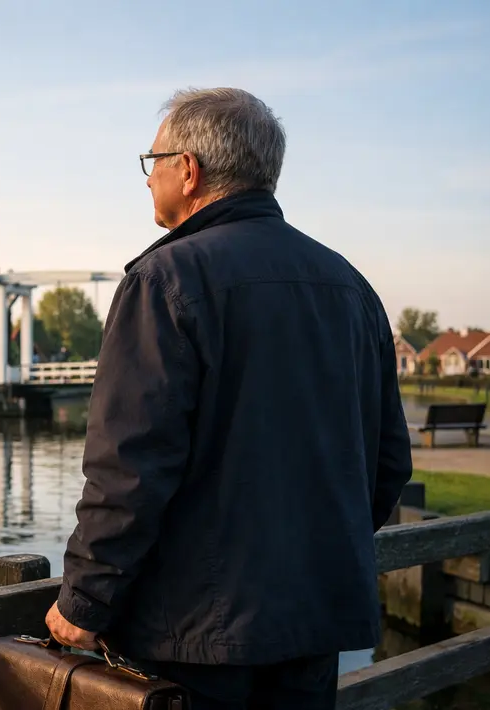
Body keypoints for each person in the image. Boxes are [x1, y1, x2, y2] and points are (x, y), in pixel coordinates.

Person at [44, 88, 413, 709]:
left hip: (194, 636)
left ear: (187, 170)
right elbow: (388, 465)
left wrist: (84, 599)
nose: (148, 179)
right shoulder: (352, 287)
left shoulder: (163, 281)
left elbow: (128, 468)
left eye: (151, 161)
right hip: (313, 624)